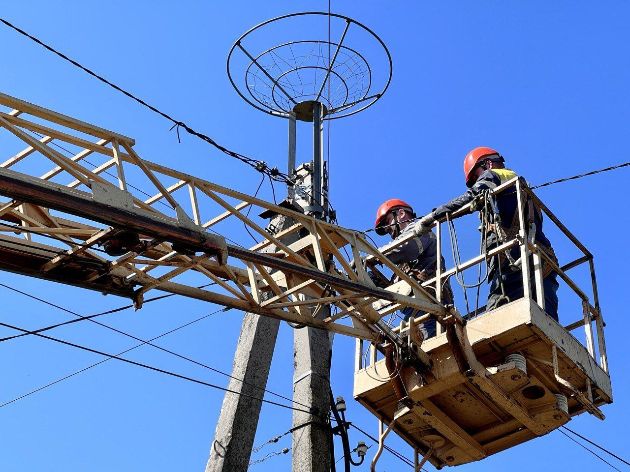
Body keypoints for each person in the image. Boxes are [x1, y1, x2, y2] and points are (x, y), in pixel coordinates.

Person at [415, 146, 559, 320]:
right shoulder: (519, 188)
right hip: (543, 265)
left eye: (477, 176)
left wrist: (432, 217)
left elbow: (473, 195)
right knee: (547, 320)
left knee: (492, 322)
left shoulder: (494, 175)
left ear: (488, 164)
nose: (478, 181)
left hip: (514, 267)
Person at [373, 198, 453, 339]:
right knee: (404, 345)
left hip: (431, 308)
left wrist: (374, 256)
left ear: (401, 213)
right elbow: (400, 285)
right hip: (416, 312)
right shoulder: (403, 261)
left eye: (387, 222)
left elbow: (406, 249)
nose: (388, 230)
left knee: (427, 346)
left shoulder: (421, 231)